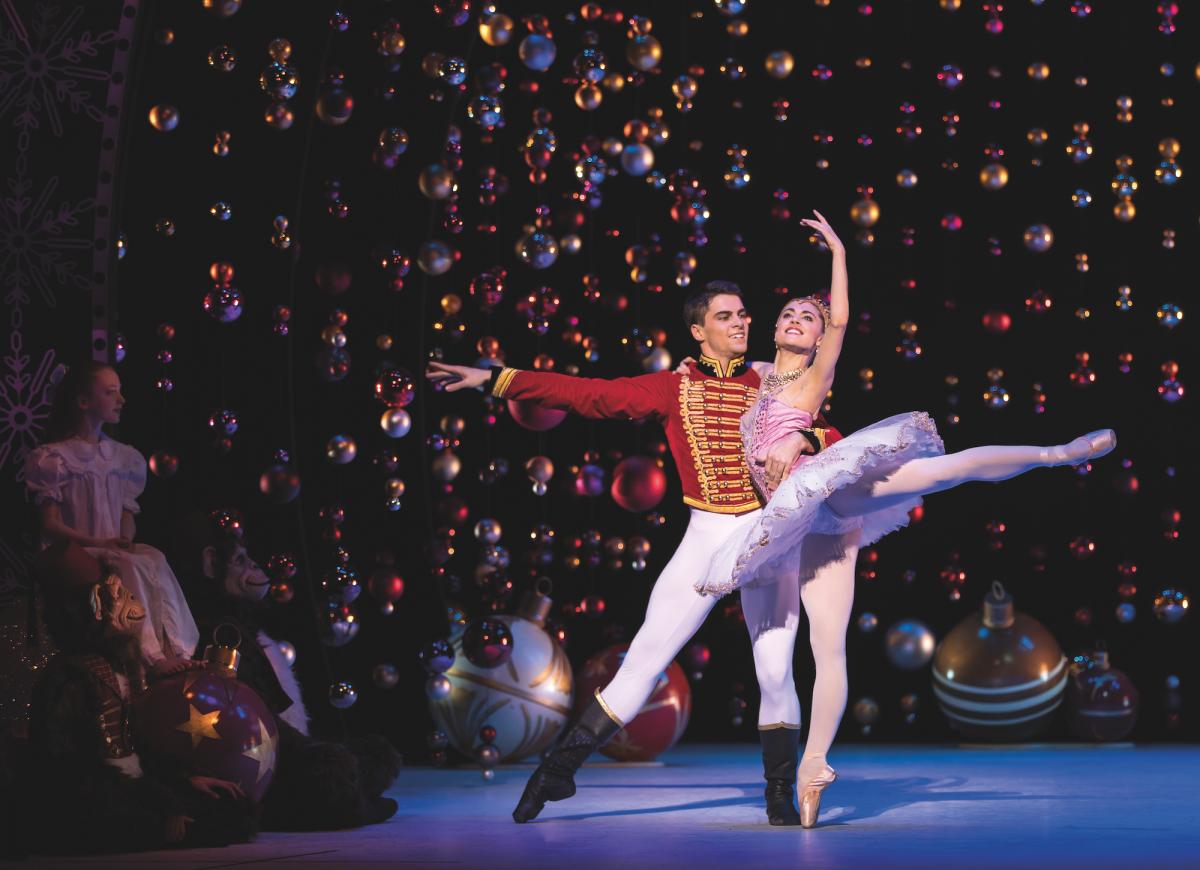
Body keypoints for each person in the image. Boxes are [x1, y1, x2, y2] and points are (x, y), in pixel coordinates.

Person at [696, 210, 1117, 827]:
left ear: (817, 339)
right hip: (809, 526)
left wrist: (838, 252)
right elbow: (714, 368)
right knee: (827, 648)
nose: (794, 319)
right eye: (787, 313)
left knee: (943, 471)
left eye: (805, 317)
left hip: (830, 483)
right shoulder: (758, 375)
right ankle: (813, 768)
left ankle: (1058, 453)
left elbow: (839, 318)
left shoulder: (815, 370)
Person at [427, 281, 842, 826]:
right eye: (726, 316)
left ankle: (778, 798)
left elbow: (833, 433)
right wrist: (495, 378)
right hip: (708, 534)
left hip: (769, 537)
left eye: (743, 313)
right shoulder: (673, 387)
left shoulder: (769, 380)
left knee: (774, 671)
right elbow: (587, 393)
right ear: (699, 331)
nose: (741, 322)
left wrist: (807, 440)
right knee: (644, 661)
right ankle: (556, 771)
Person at [23, 541, 256, 854]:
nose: (134, 602)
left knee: (231, 808)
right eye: (122, 596)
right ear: (96, 610)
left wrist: (184, 781)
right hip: (97, 794)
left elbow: (140, 744)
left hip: (139, 787)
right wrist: (156, 803)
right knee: (161, 823)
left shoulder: (123, 666)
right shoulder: (69, 677)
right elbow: (68, 768)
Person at [182, 508, 402, 830]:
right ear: (211, 565)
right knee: (331, 768)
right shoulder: (222, 634)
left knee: (376, 753)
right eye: (240, 561)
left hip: (281, 744)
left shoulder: (247, 631)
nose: (254, 566)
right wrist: (308, 749)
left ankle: (348, 790)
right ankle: (346, 803)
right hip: (255, 755)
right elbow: (252, 715)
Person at [24, 361, 199, 677]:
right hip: (80, 552)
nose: (121, 400)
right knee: (129, 567)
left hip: (110, 545)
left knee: (153, 558)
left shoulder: (123, 457)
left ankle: (179, 646)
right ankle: (152, 656)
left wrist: (124, 539)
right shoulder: (55, 458)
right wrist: (101, 543)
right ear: (83, 401)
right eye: (110, 392)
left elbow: (126, 513)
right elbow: (49, 524)